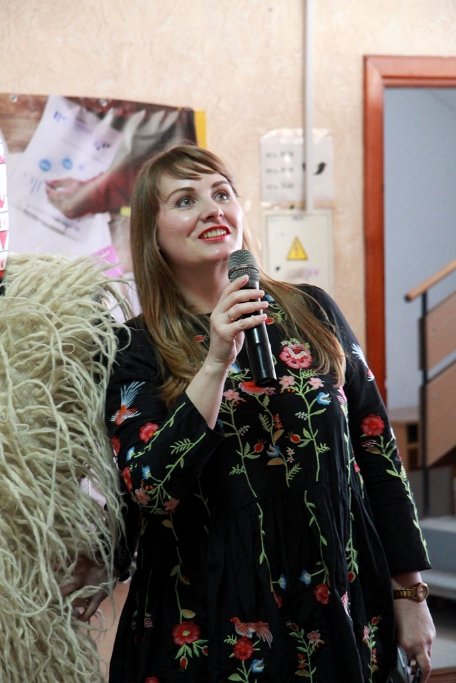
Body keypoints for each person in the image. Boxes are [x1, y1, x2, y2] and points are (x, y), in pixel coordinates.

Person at [104, 144, 435, 683]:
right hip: (215, 614)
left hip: (339, 598)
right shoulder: (134, 347)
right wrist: (215, 362)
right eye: (185, 200)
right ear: (152, 232)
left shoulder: (313, 309)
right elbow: (151, 489)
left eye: (221, 193)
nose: (212, 209)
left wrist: (410, 592)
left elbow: (378, 454)